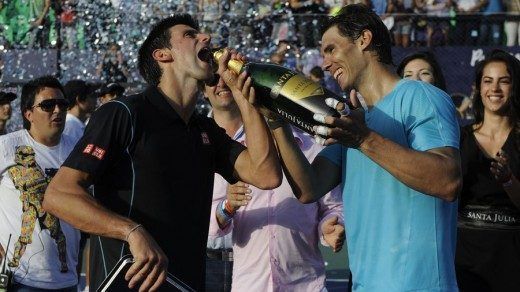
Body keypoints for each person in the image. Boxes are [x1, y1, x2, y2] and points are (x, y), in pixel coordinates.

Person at [42, 14, 282, 292]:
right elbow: (58, 195)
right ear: (162, 55)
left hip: (185, 285)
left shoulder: (204, 129)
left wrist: (243, 95)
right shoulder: (124, 113)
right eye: (191, 35)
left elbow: (266, 175)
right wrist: (132, 231)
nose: (205, 38)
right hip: (127, 283)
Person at [267, 4, 462, 291]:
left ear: (363, 40)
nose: (326, 63)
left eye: (332, 49)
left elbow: (447, 180)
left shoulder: (422, 96)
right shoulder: (353, 120)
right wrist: (275, 120)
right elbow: (308, 187)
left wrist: (364, 139)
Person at [205, 74, 345, 291]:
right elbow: (211, 222)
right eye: (262, 100)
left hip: (305, 285)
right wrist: (228, 207)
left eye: (274, 100)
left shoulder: (314, 149)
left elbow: (334, 207)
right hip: (251, 285)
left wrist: (331, 226)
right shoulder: (237, 155)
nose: (268, 109)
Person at [0, 76, 80, 291]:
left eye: (62, 104)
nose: (57, 110)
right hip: (21, 281)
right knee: (25, 238)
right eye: (47, 105)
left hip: (68, 280)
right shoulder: (6, 147)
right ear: (28, 114)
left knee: (60, 238)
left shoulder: (78, 150)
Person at [455, 50, 520, 291]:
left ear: (514, 87)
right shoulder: (459, 139)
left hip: (511, 257)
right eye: (488, 80)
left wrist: (508, 181)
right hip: (465, 258)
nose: (495, 88)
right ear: (477, 88)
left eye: (504, 81)